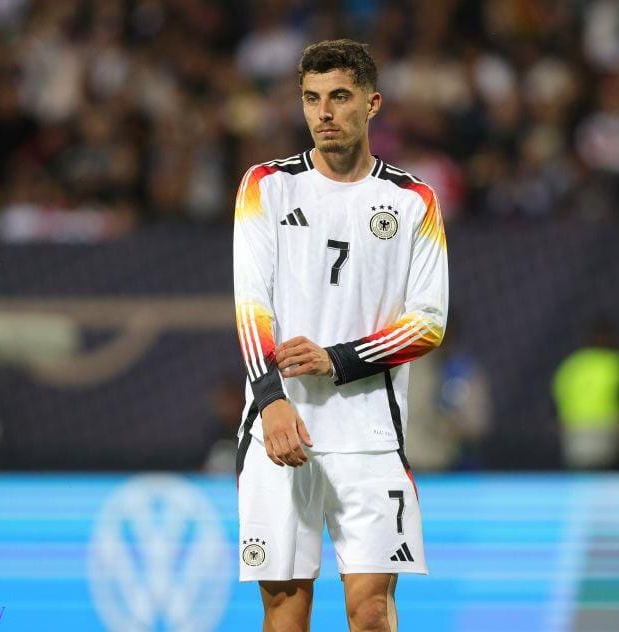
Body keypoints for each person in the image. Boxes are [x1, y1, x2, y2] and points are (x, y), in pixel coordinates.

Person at [232, 39, 448, 631]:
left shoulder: (412, 201)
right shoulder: (266, 187)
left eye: (339, 97)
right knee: (286, 609)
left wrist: (339, 357)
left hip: (371, 436)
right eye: (311, 99)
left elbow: (429, 322)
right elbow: (251, 308)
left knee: (372, 611)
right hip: (282, 425)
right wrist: (271, 402)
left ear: (372, 103)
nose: (323, 112)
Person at [551, 318, 619, 470]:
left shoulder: (570, 367)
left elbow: (557, 418)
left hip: (574, 444)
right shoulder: (616, 366)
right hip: (609, 441)